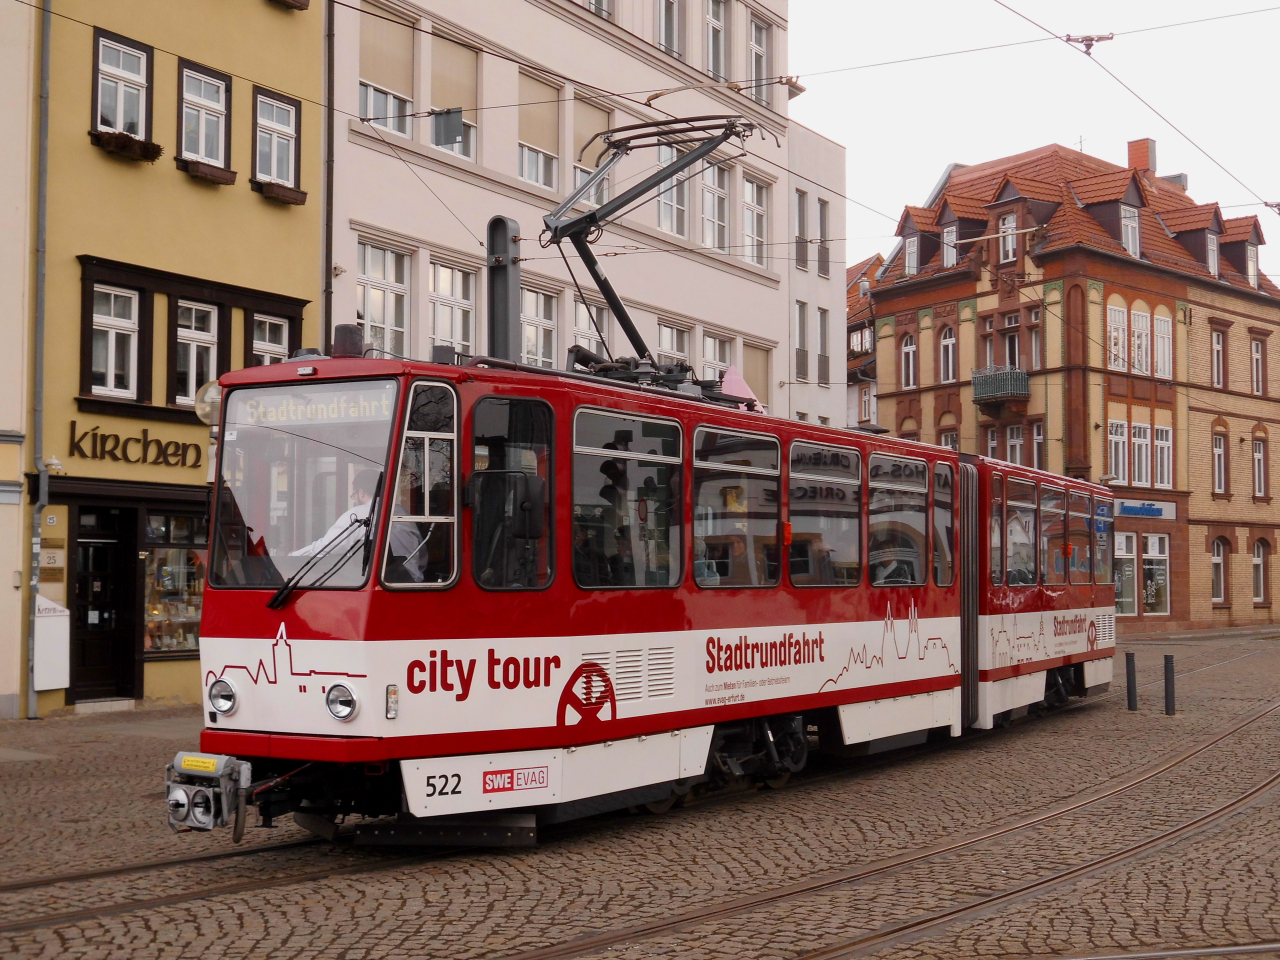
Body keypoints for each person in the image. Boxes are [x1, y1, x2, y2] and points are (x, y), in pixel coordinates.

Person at [291, 468, 380, 558]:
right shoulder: (392, 512)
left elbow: (329, 546)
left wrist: (294, 555)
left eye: (354, 495)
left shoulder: (358, 514)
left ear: (361, 493)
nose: (355, 501)